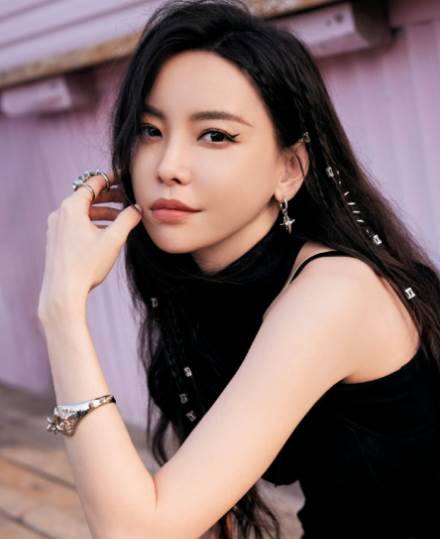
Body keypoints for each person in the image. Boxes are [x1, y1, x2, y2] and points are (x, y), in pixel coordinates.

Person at [38, 0, 440, 537]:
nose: (168, 166)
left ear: (289, 169)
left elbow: (137, 532)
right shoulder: (208, 283)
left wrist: (62, 308)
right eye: (150, 130)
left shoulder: (335, 293)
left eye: (215, 135)